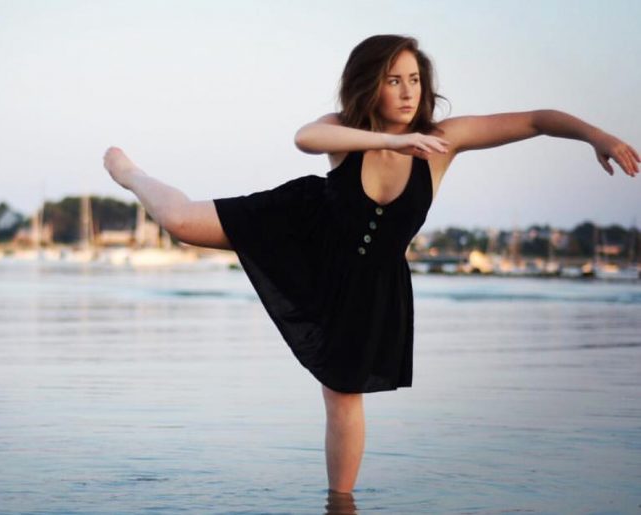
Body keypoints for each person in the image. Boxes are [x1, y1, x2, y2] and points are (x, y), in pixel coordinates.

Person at [102, 34, 639, 494]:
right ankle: (131, 174)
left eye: (414, 80)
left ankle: (341, 503)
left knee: (343, 396)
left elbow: (537, 119)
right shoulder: (347, 130)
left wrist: (599, 135)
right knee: (177, 222)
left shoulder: (444, 142)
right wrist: (391, 140)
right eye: (393, 80)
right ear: (370, 86)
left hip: (365, 282)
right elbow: (305, 139)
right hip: (302, 225)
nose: (407, 92)